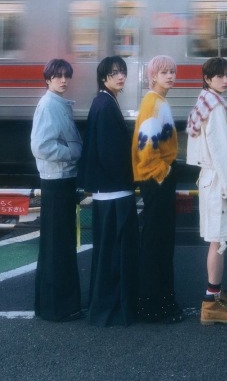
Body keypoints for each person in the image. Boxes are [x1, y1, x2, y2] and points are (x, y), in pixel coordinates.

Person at [78, 56, 139, 327]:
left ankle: (104, 308)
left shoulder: (103, 101)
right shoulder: (106, 105)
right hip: (115, 192)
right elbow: (110, 152)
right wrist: (129, 179)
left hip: (107, 191)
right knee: (116, 255)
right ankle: (112, 310)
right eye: (114, 73)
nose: (120, 76)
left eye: (122, 72)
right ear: (103, 77)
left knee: (107, 255)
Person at [186, 57, 227, 325]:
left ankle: (215, 295)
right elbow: (222, 151)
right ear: (207, 79)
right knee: (218, 243)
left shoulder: (203, 102)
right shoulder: (216, 107)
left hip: (208, 178)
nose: (226, 80)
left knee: (215, 241)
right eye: (220, 76)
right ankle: (211, 303)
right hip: (219, 181)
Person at [30, 59, 83, 322]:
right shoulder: (49, 105)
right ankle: (57, 308)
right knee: (58, 247)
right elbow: (40, 146)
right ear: (48, 79)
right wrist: (71, 153)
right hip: (57, 180)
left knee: (57, 246)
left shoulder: (57, 103)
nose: (63, 80)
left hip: (60, 180)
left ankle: (53, 306)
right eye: (57, 76)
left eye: (66, 76)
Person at [132, 55, 183, 324]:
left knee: (158, 243)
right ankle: (155, 306)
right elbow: (147, 148)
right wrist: (164, 174)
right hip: (156, 182)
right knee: (158, 245)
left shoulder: (158, 101)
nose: (170, 76)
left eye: (172, 71)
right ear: (152, 76)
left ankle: (157, 304)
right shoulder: (153, 102)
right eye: (164, 72)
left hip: (156, 181)